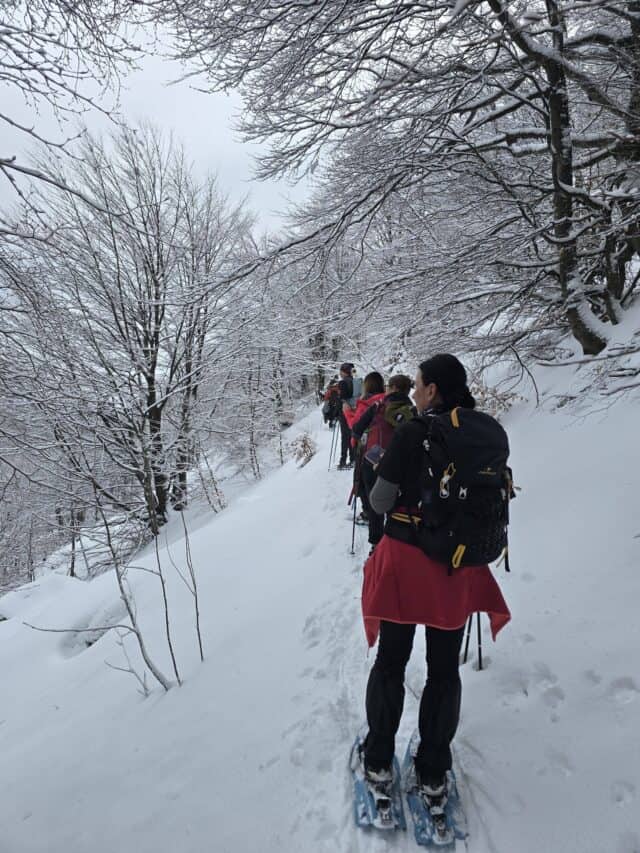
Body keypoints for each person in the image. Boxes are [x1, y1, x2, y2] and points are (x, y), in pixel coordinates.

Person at [359, 354, 511, 797]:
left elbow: (382, 502)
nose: (418, 390)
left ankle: (380, 760)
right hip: (458, 566)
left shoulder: (413, 432)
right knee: (444, 672)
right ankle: (431, 770)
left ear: (433, 390)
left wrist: (382, 469)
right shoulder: (486, 433)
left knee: (392, 661)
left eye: (421, 383)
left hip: (408, 564)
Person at [351, 375, 415, 549]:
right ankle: (395, 541)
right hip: (401, 462)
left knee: (375, 505)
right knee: (396, 503)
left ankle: (376, 545)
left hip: (374, 457)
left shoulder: (378, 406)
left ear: (393, 387)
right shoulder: (412, 410)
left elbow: (356, 430)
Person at [342, 371, 385, 521]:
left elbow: (355, 426)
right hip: (383, 447)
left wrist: (347, 412)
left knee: (363, 484)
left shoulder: (366, 402)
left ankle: (369, 514)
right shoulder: (385, 399)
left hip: (366, 450)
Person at [337, 363, 356, 469]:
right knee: (352, 435)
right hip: (355, 411)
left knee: (345, 436)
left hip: (344, 412)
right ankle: (353, 459)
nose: (340, 373)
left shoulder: (343, 383)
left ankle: (343, 461)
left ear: (344, 372)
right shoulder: (356, 381)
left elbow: (342, 398)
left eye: (341, 371)